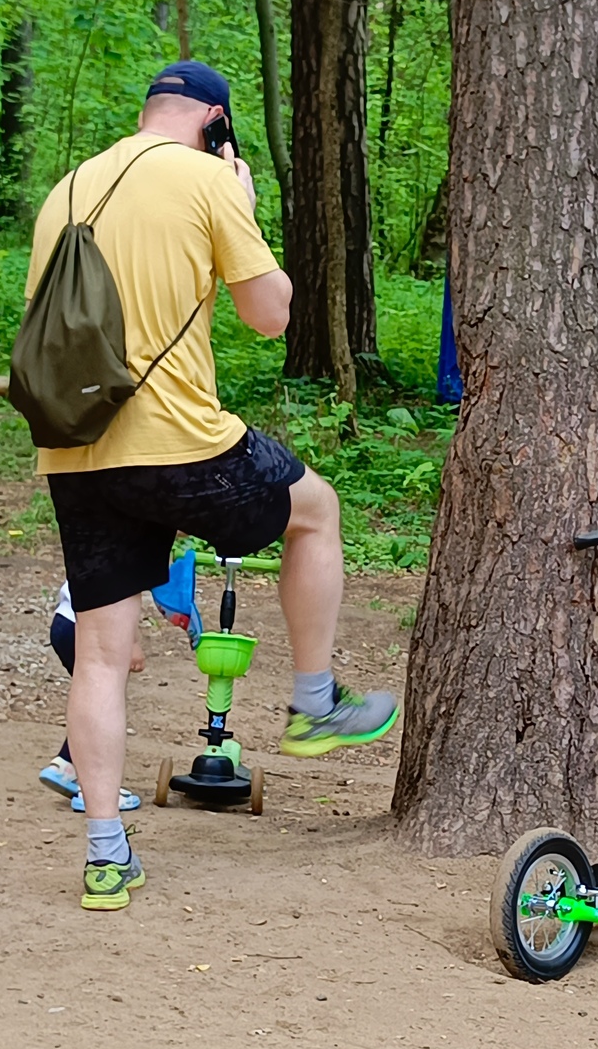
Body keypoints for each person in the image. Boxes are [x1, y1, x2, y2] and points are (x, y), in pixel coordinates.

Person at [27, 60, 398, 911]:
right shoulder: (206, 178)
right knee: (317, 510)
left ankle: (106, 856)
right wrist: (245, 204)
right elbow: (270, 314)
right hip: (180, 442)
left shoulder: (68, 189)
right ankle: (312, 704)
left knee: (101, 656)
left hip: (77, 449)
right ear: (215, 120)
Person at [37, 580, 143, 812]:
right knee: (105, 697)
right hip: (92, 628)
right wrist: (133, 642)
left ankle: (65, 764)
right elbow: (123, 590)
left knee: (94, 694)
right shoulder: (132, 548)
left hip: (64, 621)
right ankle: (91, 792)